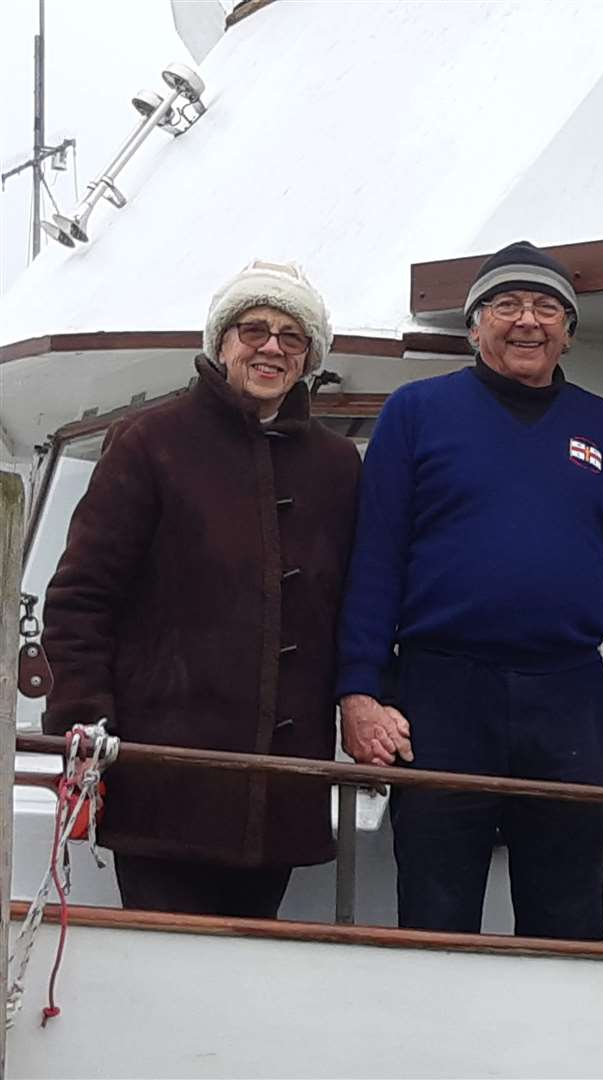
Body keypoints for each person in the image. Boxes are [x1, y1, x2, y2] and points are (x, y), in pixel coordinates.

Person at [336, 241, 603, 940]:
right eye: (506, 305)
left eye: (547, 306)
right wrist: (359, 692)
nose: (527, 321)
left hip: (570, 695)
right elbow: (374, 561)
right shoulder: (416, 412)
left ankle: (561, 1049)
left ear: (567, 329)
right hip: (442, 690)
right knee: (435, 903)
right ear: (474, 325)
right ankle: (432, 1046)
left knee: (568, 912)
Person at [41, 260, 361, 918]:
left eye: (292, 335)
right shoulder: (148, 442)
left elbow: (353, 604)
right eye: (254, 329)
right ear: (221, 342)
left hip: (280, 791)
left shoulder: (335, 465)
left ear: (309, 357)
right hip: (162, 778)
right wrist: (82, 721)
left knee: (244, 982)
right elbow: (80, 599)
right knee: (161, 974)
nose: (271, 346)